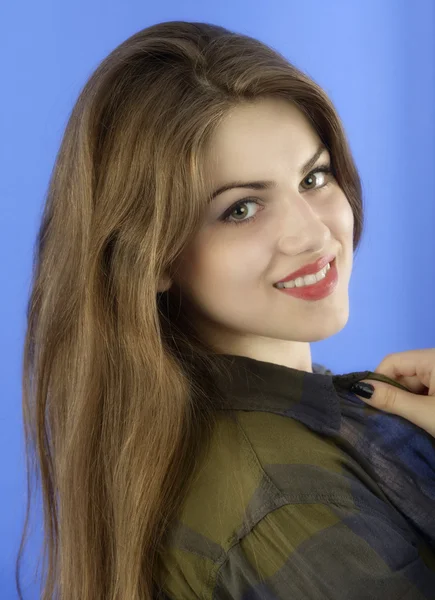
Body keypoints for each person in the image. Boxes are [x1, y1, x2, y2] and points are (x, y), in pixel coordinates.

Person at [16, 20, 435, 600]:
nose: (312, 234)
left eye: (313, 177)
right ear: (152, 257)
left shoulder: (234, 439)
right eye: (241, 209)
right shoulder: (290, 501)